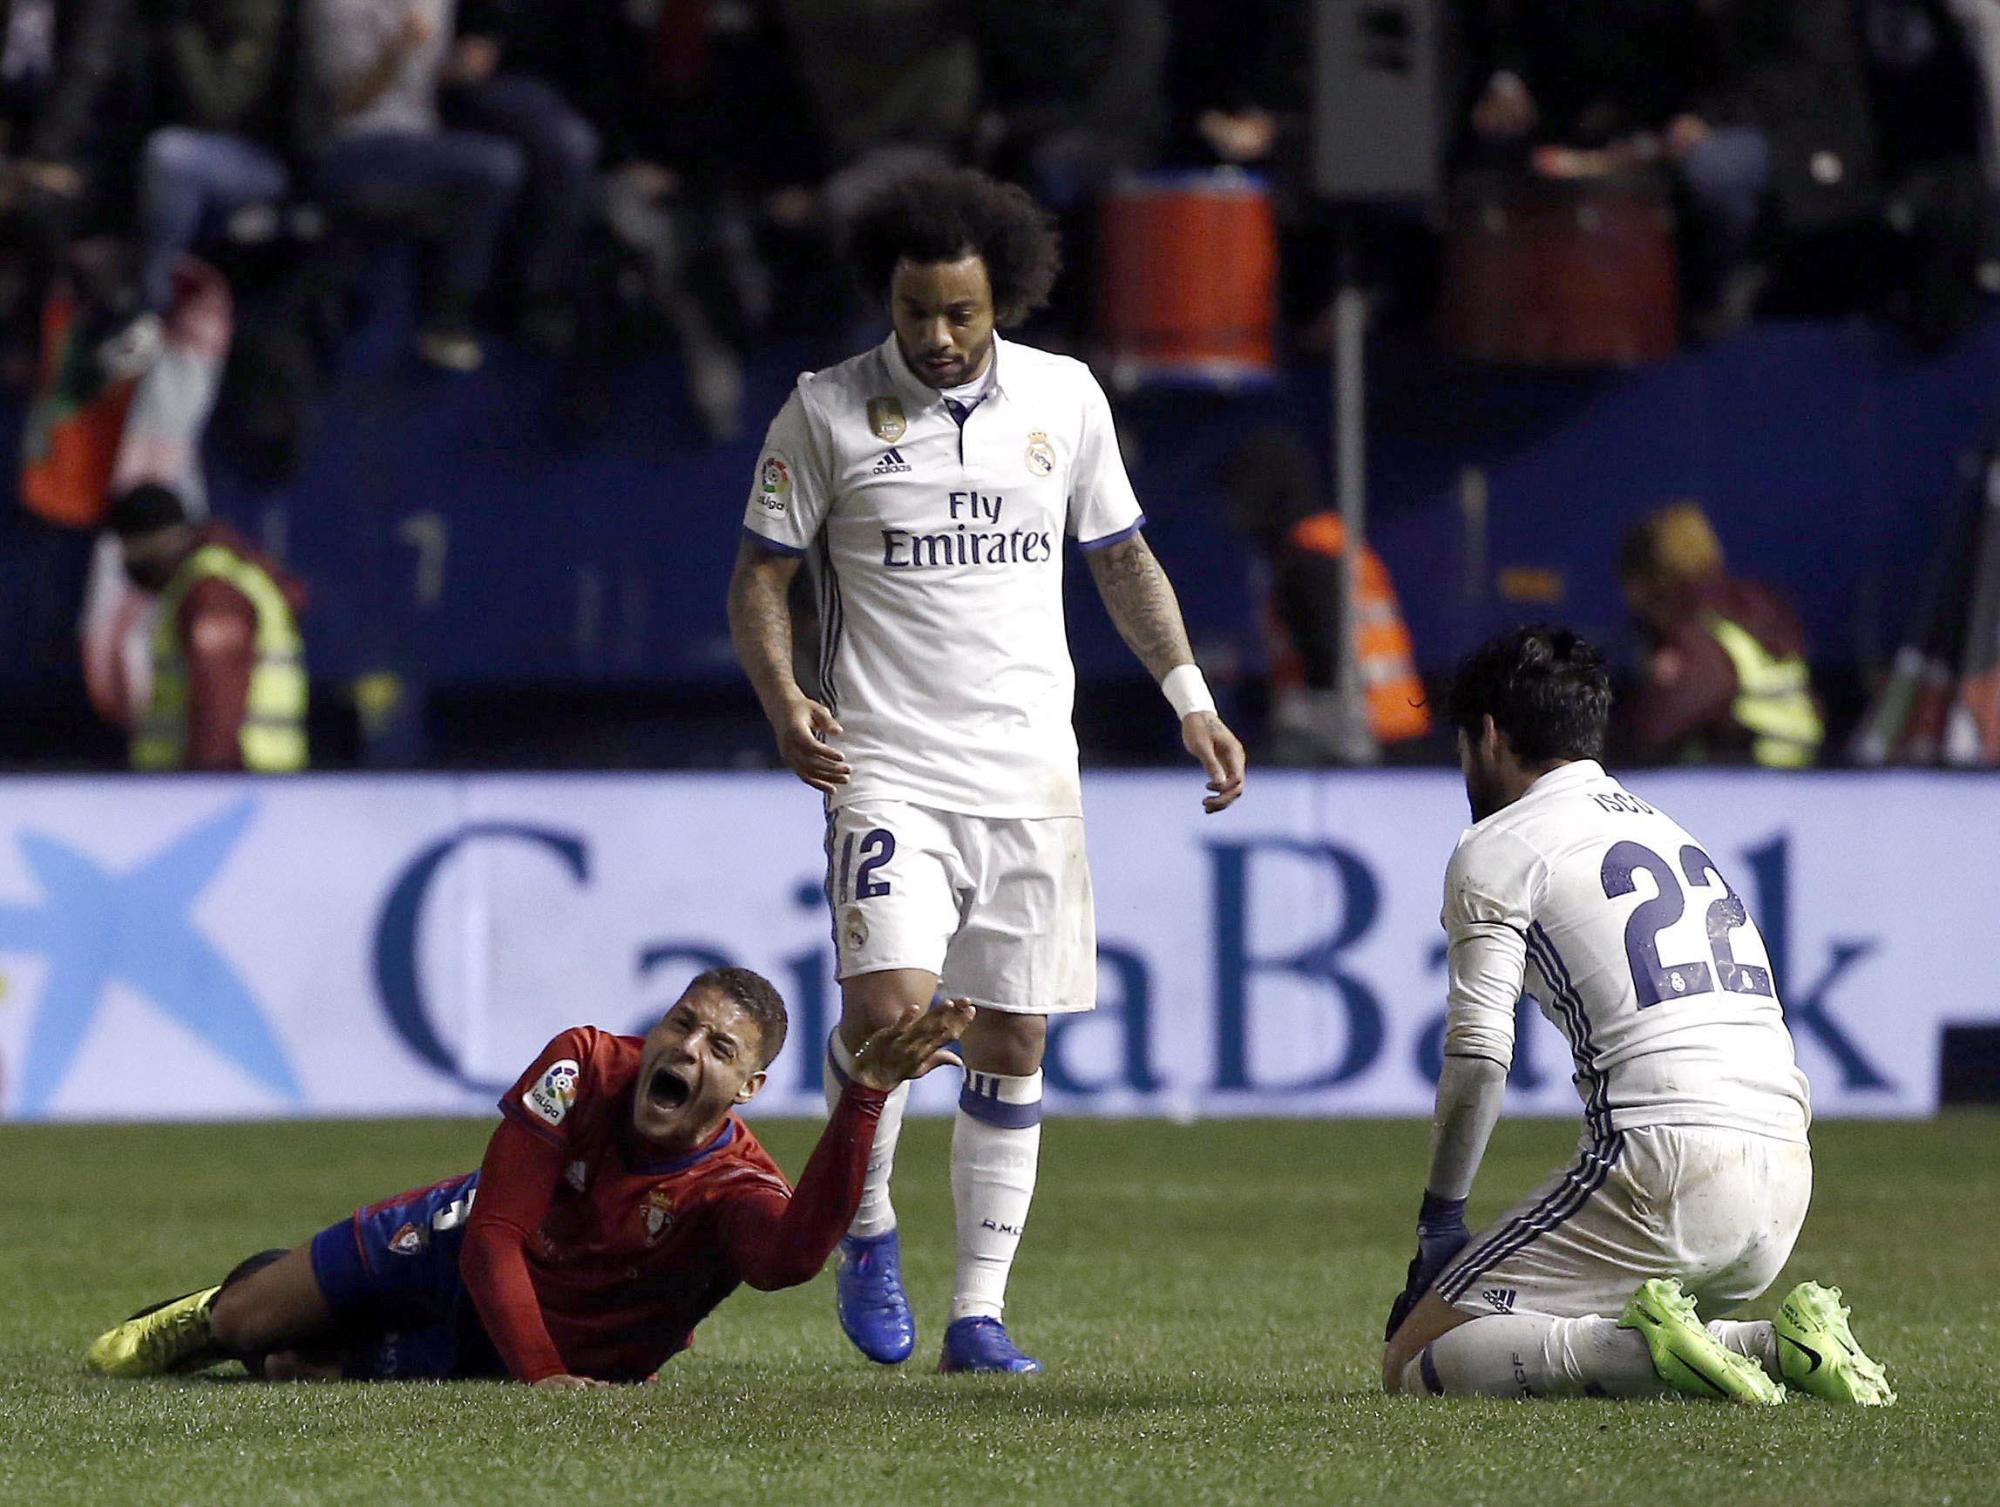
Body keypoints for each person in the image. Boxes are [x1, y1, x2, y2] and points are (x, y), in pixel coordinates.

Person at [727, 167, 1246, 1375]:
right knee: (892, 1016)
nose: (940, 337)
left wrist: (1191, 702)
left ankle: (976, 1313)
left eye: (961, 312)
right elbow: (761, 576)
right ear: (887, 301)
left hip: (1029, 775)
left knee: (1012, 1039)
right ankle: (864, 1230)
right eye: (917, 312)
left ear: (999, 296)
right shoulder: (823, 411)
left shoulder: (1064, 399)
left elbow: (1121, 560)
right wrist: (784, 698)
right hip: (887, 765)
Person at [1379, 624, 1892, 1405]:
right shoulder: (1666, 828)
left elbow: (1481, 1055)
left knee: (1420, 1356)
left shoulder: (1497, 842)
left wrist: (1442, 1219)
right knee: (1564, 1308)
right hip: (1788, 1175)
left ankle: (1639, 1356)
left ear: (1487, 734)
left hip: (1667, 1168)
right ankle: (1771, 1342)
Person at [85, 968, 975, 1384]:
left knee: (288, 1368)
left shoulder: (734, 1186)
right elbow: (494, 1236)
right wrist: (548, 1378)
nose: (686, 1047)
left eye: (719, 1046)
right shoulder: (582, 1065)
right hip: (459, 1247)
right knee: (248, 1321)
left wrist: (864, 1094)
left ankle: (294, 1336)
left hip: (549, 1344)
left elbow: (786, 1258)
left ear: (749, 1088)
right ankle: (210, 1307)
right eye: (681, 1022)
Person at [108, 481, 309, 772]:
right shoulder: (210, 581)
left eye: (128, 548)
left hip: (234, 785)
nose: (127, 561)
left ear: (151, 541)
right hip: (248, 785)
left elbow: (219, 704)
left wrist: (207, 791)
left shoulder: (211, 591)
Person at [1617, 500, 1823, 768]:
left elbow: (1654, 731)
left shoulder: (1694, 634)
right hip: (1801, 768)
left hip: (1745, 776)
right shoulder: (1754, 607)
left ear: (1646, 580)